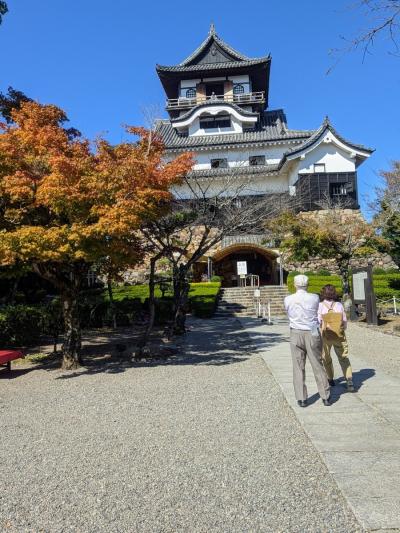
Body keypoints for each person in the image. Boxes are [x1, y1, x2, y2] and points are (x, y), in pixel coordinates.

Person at [284, 275, 331, 407]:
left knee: (298, 366)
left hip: (295, 332)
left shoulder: (288, 299)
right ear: (308, 284)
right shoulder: (314, 297)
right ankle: (325, 396)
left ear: (294, 284)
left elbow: (288, 312)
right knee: (317, 363)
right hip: (312, 331)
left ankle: (302, 398)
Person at [318, 284, 354, 392]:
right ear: (334, 293)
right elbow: (344, 321)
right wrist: (342, 330)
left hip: (326, 335)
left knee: (326, 358)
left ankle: (330, 378)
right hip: (339, 334)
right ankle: (349, 380)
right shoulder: (339, 305)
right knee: (343, 357)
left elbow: (318, 321)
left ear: (323, 293)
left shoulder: (320, 306)